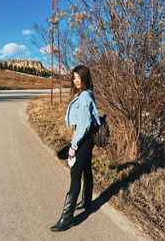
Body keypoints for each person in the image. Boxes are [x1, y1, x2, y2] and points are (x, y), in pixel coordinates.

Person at [50, 65, 101, 232]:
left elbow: (84, 125)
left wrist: (73, 146)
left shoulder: (85, 96)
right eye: (74, 78)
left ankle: (67, 218)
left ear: (85, 77)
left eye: (79, 78)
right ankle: (86, 203)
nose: (76, 81)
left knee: (75, 174)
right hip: (86, 138)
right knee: (86, 168)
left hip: (84, 139)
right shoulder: (85, 93)